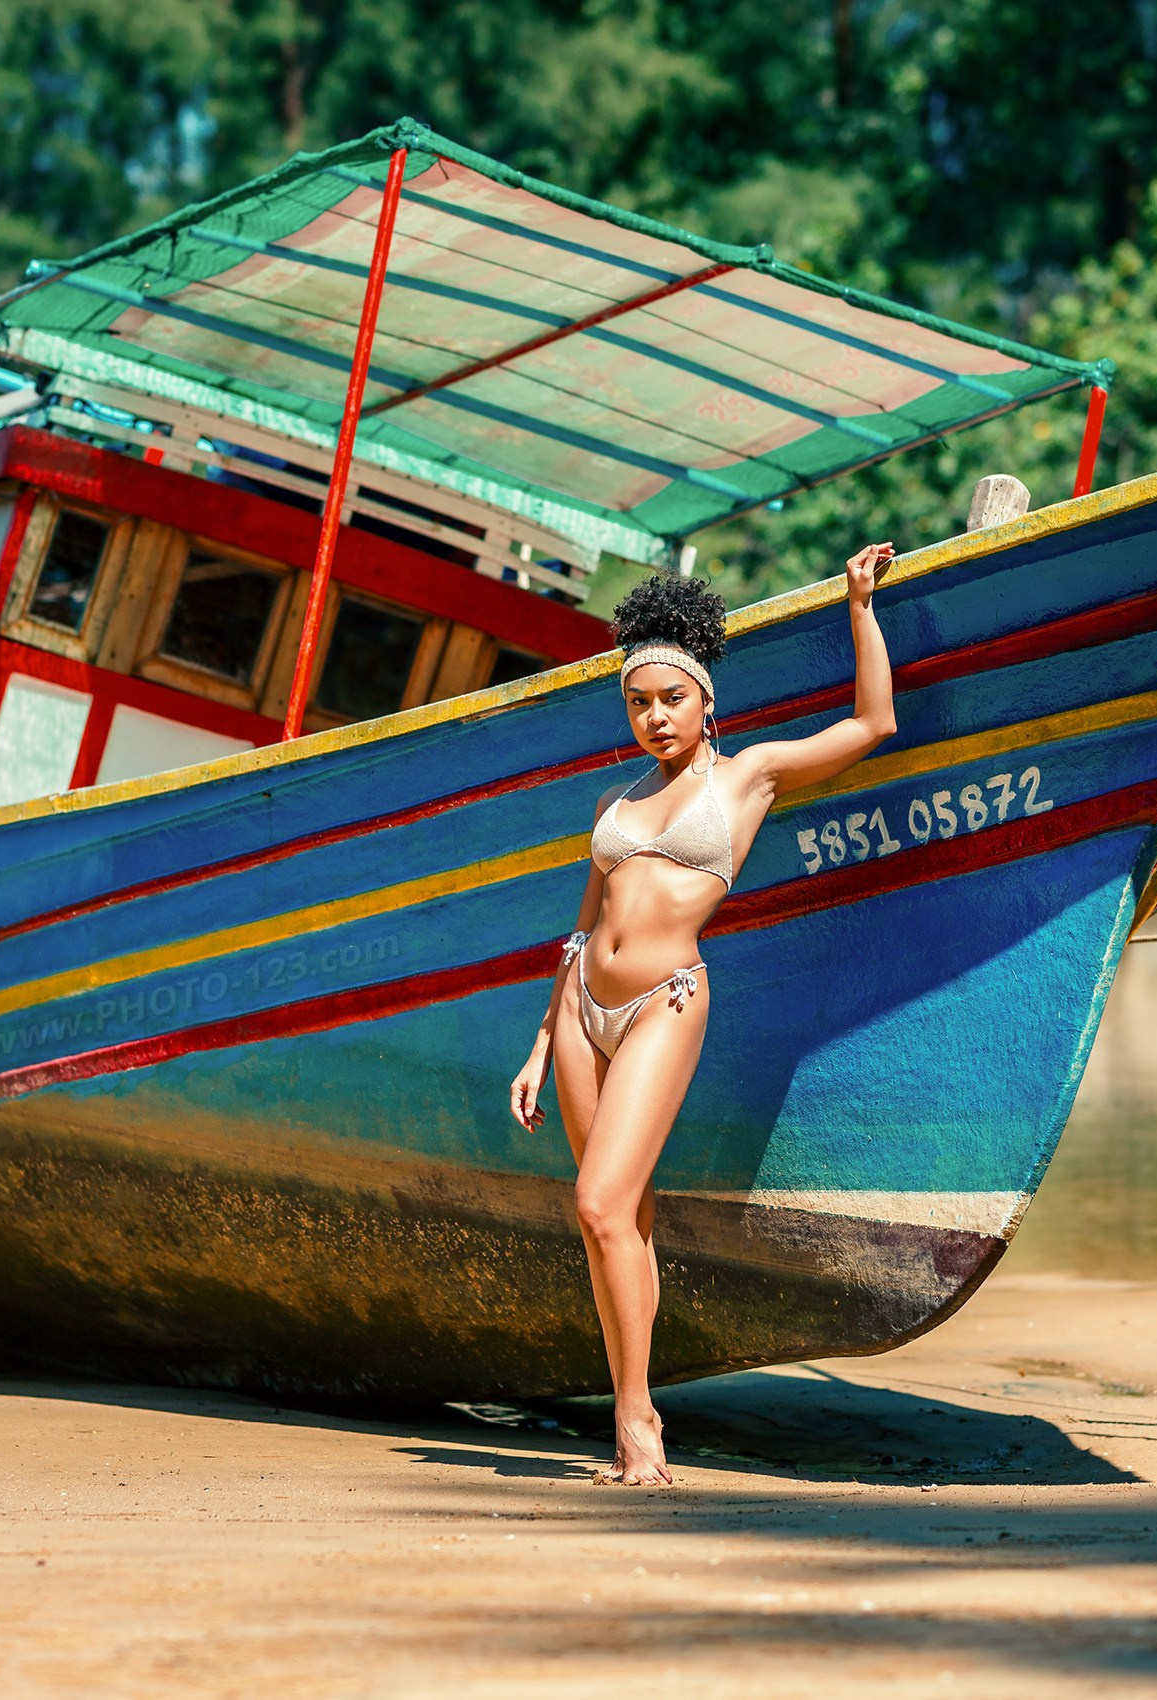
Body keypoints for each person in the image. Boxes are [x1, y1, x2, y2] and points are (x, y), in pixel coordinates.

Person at [510, 544, 900, 1485]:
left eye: (671, 699)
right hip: (581, 1010)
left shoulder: (747, 777)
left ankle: (636, 1418)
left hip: (665, 1001)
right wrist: (540, 1041)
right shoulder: (614, 801)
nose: (655, 716)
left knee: (599, 1203)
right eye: (638, 703)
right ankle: (634, 1416)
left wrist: (859, 605)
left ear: (706, 701)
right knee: (619, 1221)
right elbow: (582, 928)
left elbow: (874, 723)